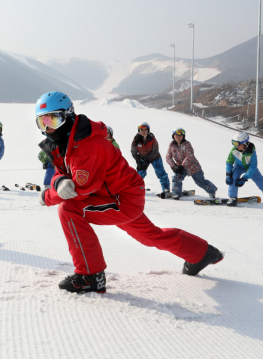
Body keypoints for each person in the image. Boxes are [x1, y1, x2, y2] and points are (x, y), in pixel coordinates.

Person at [36, 91, 223, 293]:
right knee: (151, 235)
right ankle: (202, 253)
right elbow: (61, 171)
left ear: (69, 116)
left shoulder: (88, 145)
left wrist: (47, 196)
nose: (48, 128)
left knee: (69, 209)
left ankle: (90, 276)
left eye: (53, 120)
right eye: (42, 122)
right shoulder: (67, 141)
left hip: (121, 200)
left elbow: (80, 190)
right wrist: (59, 181)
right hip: (116, 196)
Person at [166, 128, 217, 200]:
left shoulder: (187, 144)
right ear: (173, 136)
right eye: (176, 135)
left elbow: (189, 156)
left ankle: (212, 191)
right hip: (180, 167)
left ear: (183, 136)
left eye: (180, 135)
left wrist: (182, 166)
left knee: (200, 181)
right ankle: (176, 193)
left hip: (193, 167)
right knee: (176, 178)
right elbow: (168, 156)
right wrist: (173, 166)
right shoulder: (172, 145)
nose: (178, 137)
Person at [131, 122, 170, 194]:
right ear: (139, 130)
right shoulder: (136, 139)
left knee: (161, 173)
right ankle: (137, 188)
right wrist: (138, 161)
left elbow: (155, 151)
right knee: (140, 173)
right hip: (142, 158)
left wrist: (147, 160)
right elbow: (133, 151)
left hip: (155, 158)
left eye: (145, 129)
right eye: (141, 129)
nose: (143, 131)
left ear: (148, 130)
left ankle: (166, 189)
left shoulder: (152, 138)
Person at [225, 132, 263, 207]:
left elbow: (253, 167)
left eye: (237, 144)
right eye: (234, 143)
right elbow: (229, 162)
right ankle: (232, 198)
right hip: (238, 167)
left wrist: (244, 179)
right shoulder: (234, 151)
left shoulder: (252, 153)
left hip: (250, 168)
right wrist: (228, 174)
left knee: (260, 181)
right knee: (233, 178)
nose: (236, 146)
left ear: (245, 143)